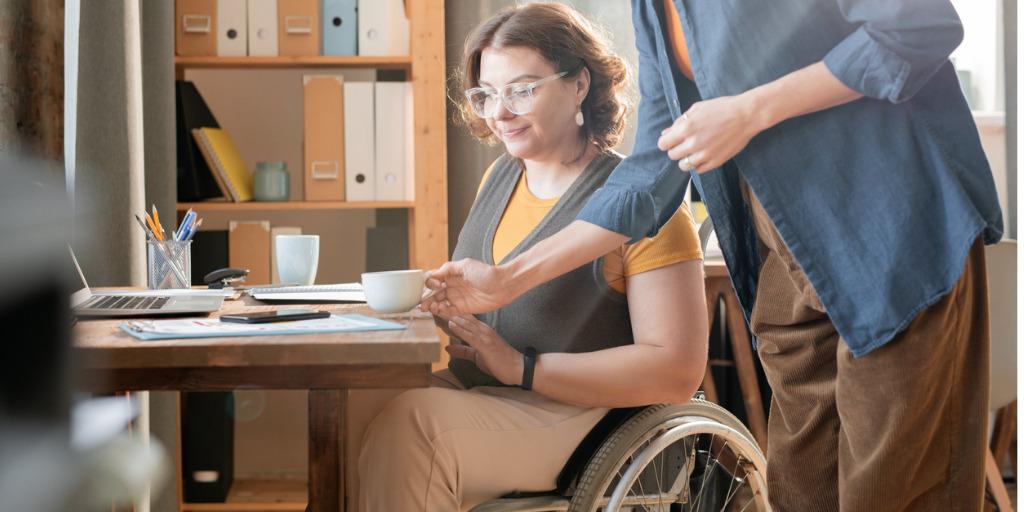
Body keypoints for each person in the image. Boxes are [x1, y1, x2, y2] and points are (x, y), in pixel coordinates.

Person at [424, 0, 1004, 510]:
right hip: (783, 259)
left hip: (888, 234)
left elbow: (919, 28)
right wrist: (507, 280)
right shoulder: (652, 9)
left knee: (891, 490)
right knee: (802, 491)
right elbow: (652, 175)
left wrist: (750, 111)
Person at [358, 4, 709, 510]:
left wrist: (523, 369)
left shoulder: (645, 208)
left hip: (591, 417)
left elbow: (675, 371)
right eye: (486, 94)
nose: (500, 112)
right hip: (487, 396)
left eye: (522, 89)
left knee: (414, 425)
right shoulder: (498, 180)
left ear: (579, 85)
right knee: (348, 409)